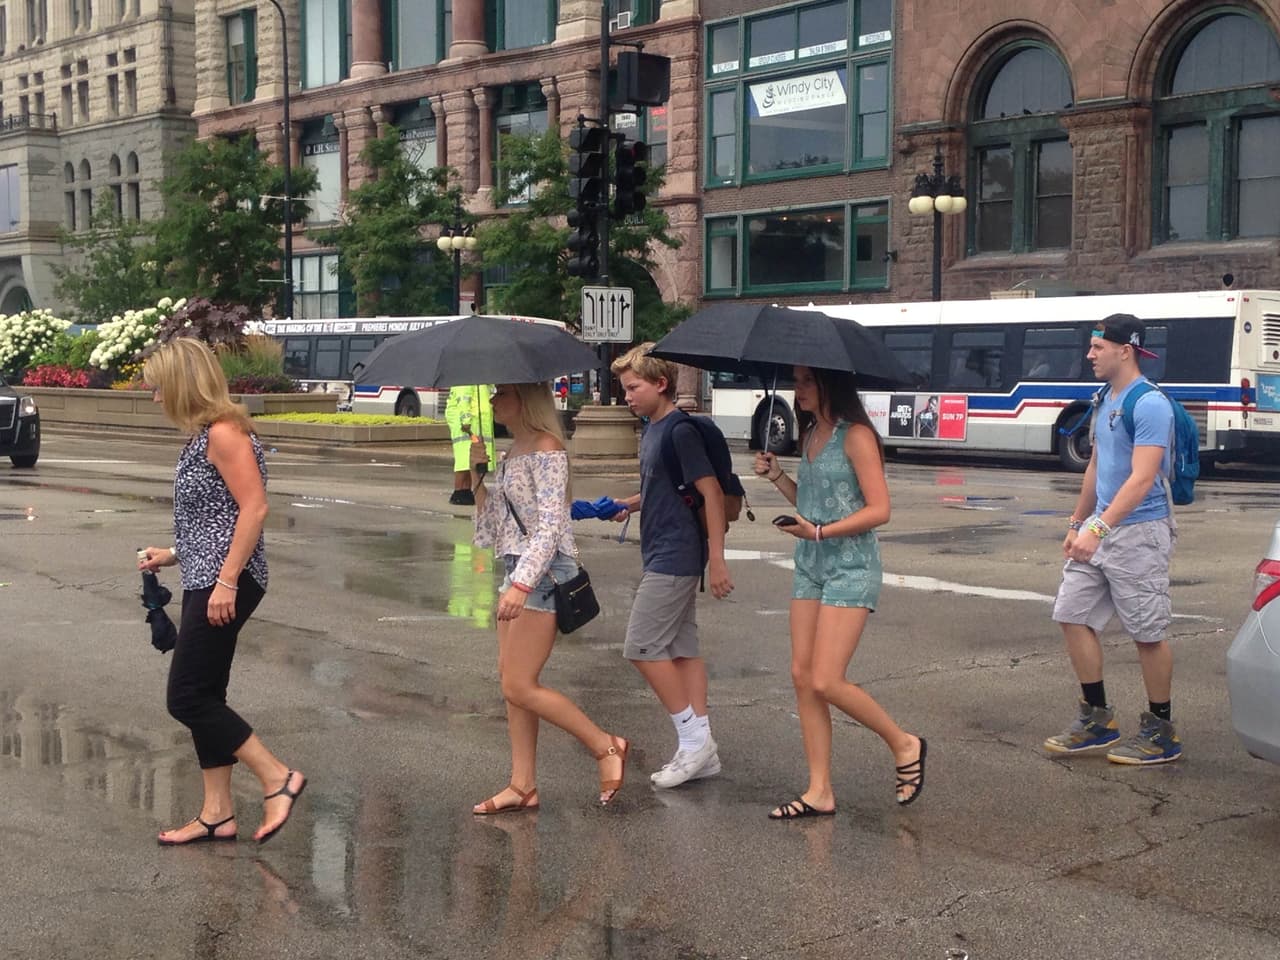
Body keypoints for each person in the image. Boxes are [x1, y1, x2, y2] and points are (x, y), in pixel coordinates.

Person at [137, 337, 306, 846]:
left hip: (226, 581)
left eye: (158, 387)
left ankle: (277, 777)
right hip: (207, 574)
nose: (154, 398)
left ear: (183, 385)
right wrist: (172, 554)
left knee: (186, 696)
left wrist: (226, 581)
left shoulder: (226, 433)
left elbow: (254, 508)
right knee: (206, 692)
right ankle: (217, 813)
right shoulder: (205, 435)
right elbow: (217, 518)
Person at [754, 365, 926, 818]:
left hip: (850, 565)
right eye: (796, 381)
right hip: (811, 564)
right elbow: (810, 506)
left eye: (807, 381)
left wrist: (819, 532)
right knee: (801, 674)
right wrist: (777, 478)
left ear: (831, 384)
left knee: (827, 678)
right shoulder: (810, 435)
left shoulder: (856, 436)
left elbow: (880, 509)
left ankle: (904, 743)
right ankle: (819, 790)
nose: (798, 390)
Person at [470, 382, 629, 811]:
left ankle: (605, 746)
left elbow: (550, 526)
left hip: (540, 575)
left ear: (526, 398)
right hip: (516, 568)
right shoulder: (512, 451)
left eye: (501, 392)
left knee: (519, 683)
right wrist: (476, 474)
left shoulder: (547, 448)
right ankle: (523, 785)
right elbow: (490, 527)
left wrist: (522, 585)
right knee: (513, 686)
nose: (492, 400)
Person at [1046, 313, 1181, 764]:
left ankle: (1162, 730)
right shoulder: (1105, 398)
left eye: (1097, 347)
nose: (1089, 354)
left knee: (1146, 632)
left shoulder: (1150, 404)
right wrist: (1076, 522)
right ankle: (1098, 720)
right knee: (1071, 613)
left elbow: (1143, 478)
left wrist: (1098, 528)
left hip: (1139, 531)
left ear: (1125, 350)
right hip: (1099, 529)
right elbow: (1096, 467)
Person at [608, 345, 733, 789]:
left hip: (677, 554)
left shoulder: (680, 430)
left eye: (633, 388)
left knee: (640, 645)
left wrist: (716, 559)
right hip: (662, 548)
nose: (627, 397)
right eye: (625, 389)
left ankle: (693, 738)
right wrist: (629, 503)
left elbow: (711, 494)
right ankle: (701, 749)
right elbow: (665, 487)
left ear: (661, 384)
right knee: (682, 648)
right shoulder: (652, 430)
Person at [446, 384, 495, 506]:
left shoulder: (480, 381)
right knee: (464, 459)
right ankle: (460, 492)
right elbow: (463, 400)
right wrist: (466, 421)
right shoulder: (467, 379)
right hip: (469, 427)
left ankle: (465, 491)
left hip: (476, 425)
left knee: (469, 460)